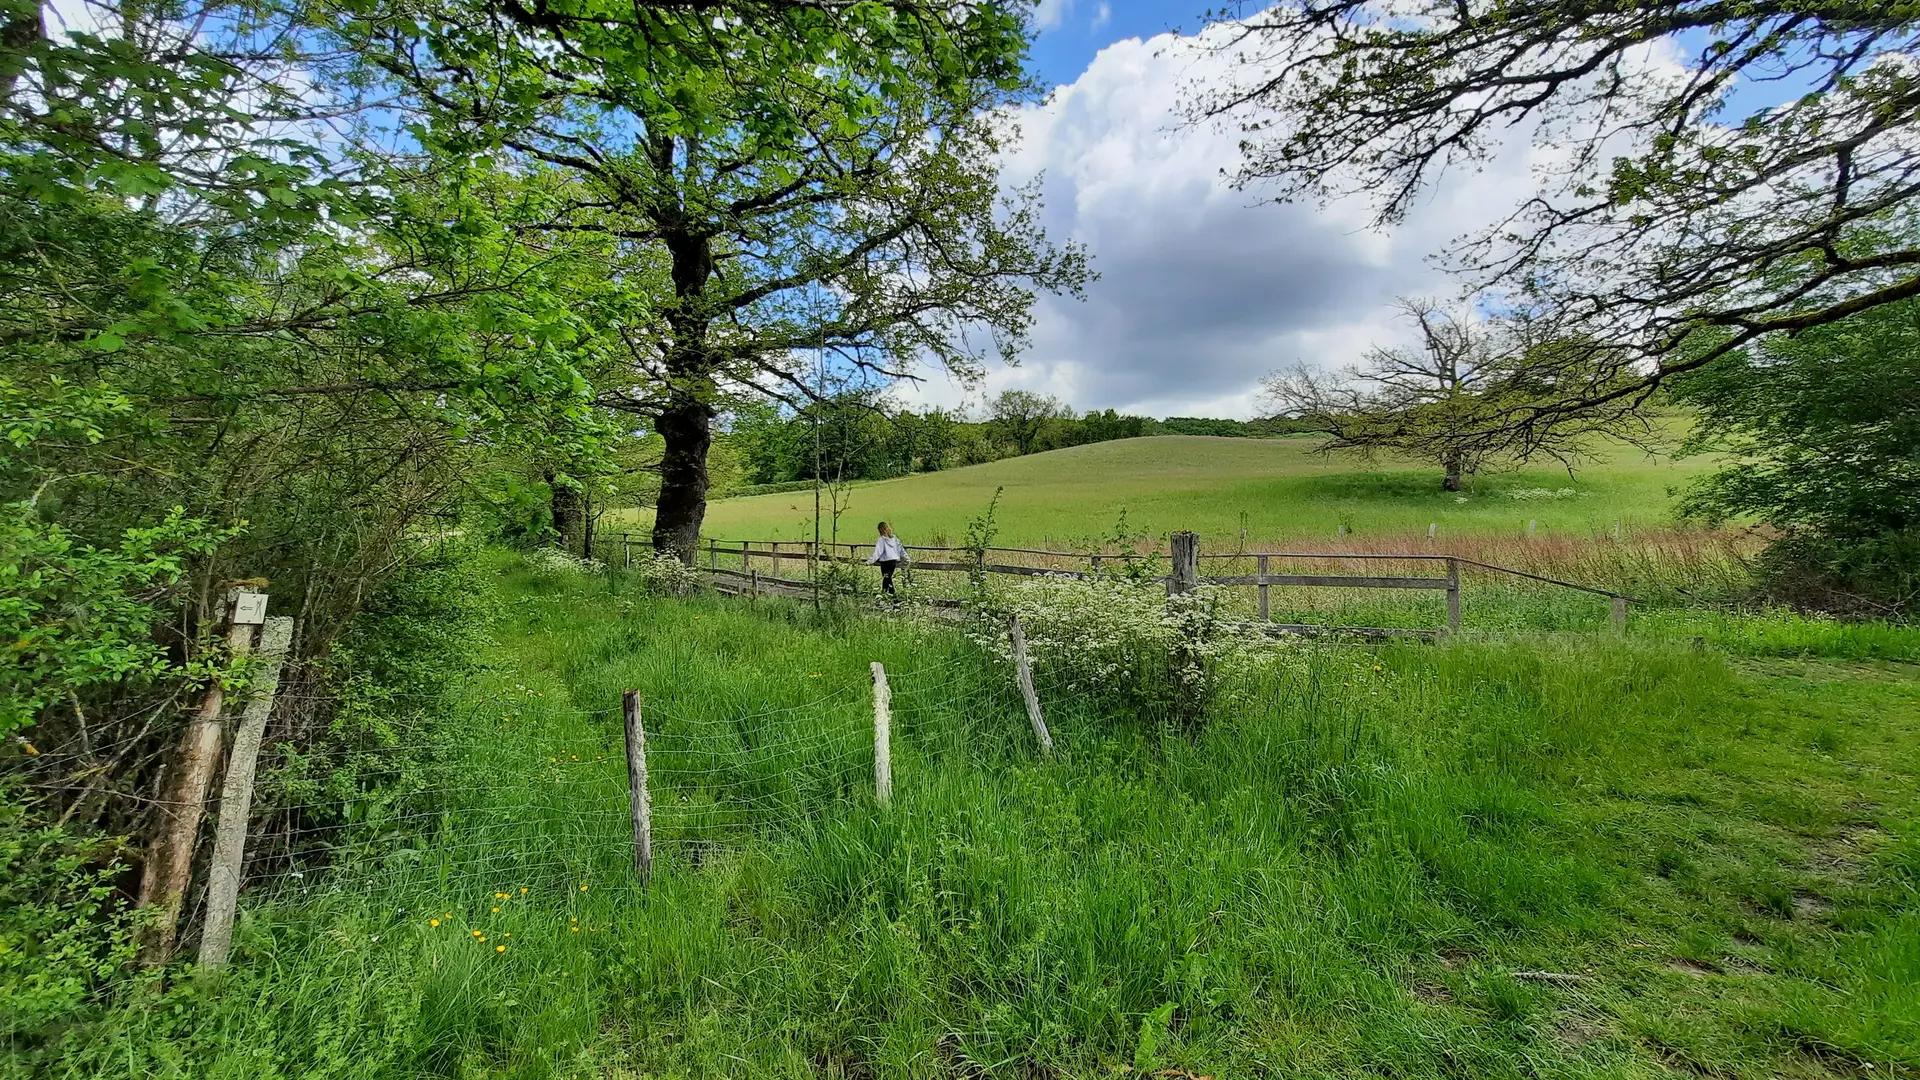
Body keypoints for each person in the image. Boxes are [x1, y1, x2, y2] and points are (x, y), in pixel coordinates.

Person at [865, 521, 908, 596]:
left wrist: (869, 561)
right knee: (887, 578)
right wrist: (907, 559)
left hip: (885, 562)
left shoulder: (881, 540)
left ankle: (891, 594)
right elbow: (901, 549)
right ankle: (885, 594)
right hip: (893, 561)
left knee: (886, 578)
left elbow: (877, 552)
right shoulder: (895, 539)